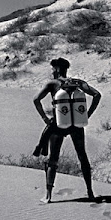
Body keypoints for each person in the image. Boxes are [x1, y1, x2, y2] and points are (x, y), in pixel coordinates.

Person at [33, 57, 102, 203]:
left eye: (53, 69)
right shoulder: (77, 83)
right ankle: (90, 192)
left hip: (58, 124)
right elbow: (97, 95)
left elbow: (36, 100)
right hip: (76, 125)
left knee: (53, 159)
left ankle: (48, 195)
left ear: (57, 69)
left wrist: (45, 119)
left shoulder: (53, 84)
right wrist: (87, 114)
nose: (52, 72)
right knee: (82, 157)